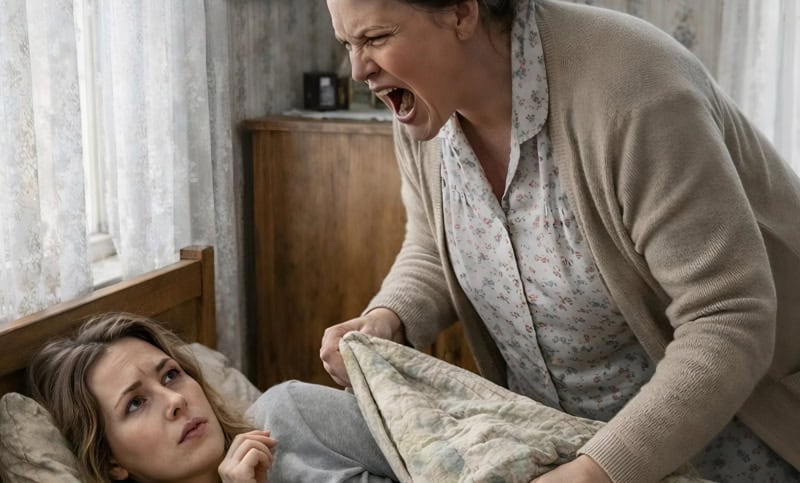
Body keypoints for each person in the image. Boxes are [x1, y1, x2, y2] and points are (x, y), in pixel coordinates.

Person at [319, 0, 800, 482]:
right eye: (347, 43)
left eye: (376, 38)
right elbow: (435, 243)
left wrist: (597, 471)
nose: (358, 70)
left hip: (735, 449)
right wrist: (390, 317)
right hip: (562, 451)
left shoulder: (635, 92)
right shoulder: (424, 104)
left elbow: (729, 317)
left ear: (462, 13)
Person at [29, 313, 397, 483]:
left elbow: (426, 448)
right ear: (110, 461)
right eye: (136, 403)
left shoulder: (287, 413)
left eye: (171, 375)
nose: (174, 400)